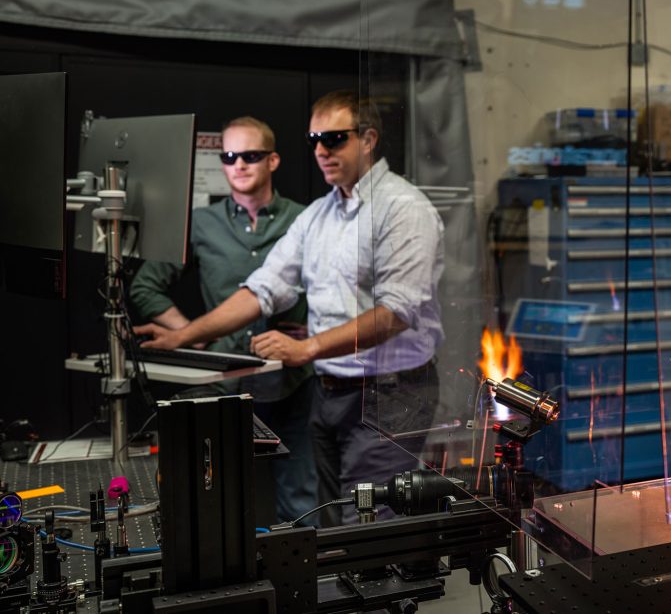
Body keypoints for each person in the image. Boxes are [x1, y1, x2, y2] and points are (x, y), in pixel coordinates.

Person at [136, 92, 444, 525]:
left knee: (368, 524)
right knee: (334, 517)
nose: (322, 150)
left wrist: (307, 348)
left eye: (335, 138)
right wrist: (183, 337)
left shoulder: (403, 209)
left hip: (389, 392)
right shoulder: (319, 215)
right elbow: (264, 288)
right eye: (315, 139)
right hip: (330, 391)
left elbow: (396, 311)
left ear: (369, 138)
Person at [130, 115, 317, 525]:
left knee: (301, 500)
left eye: (251, 155)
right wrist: (190, 335)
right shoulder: (201, 224)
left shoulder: (306, 220)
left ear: (273, 160)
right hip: (223, 382)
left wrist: (314, 334)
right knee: (215, 497)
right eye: (230, 156)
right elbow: (145, 287)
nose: (240, 165)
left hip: (293, 383)